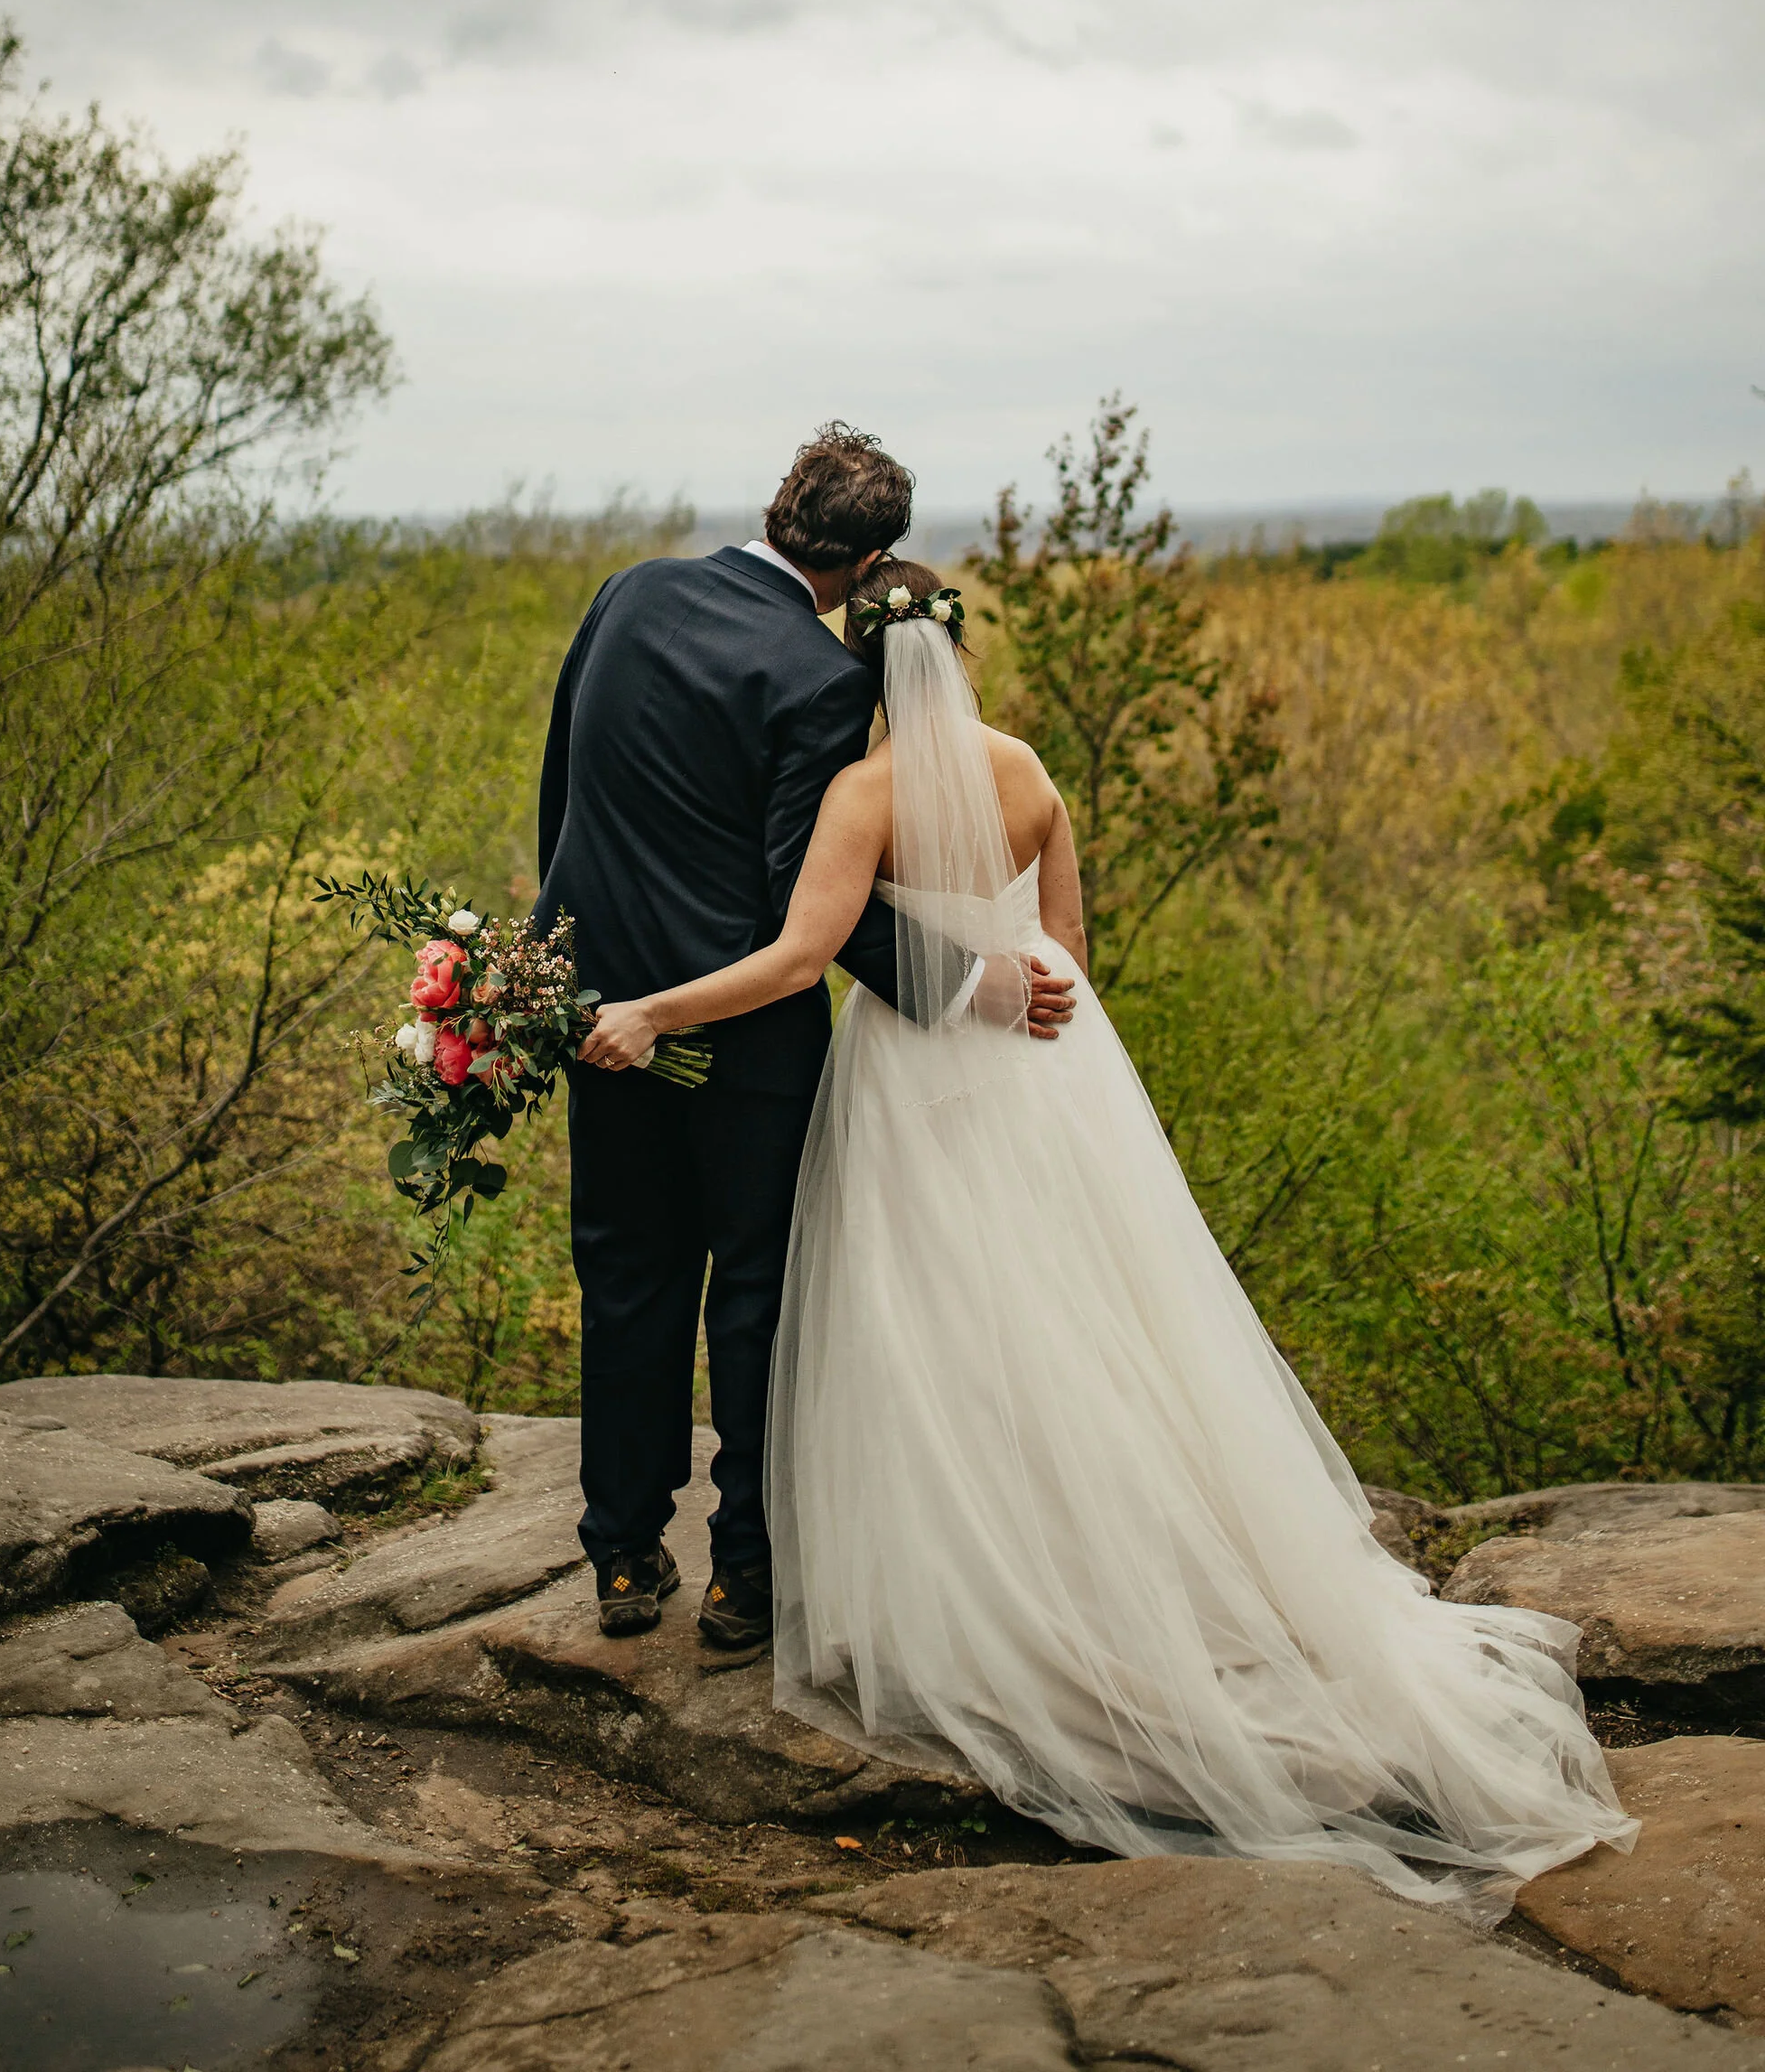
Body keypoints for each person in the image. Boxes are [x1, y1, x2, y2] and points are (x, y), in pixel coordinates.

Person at [579, 555, 1639, 1913]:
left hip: (910, 1079)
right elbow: (1069, 946)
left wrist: (656, 1010)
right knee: (1085, 1318)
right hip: (1050, 1079)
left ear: (863, 665)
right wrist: (1029, 1020)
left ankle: (964, 1574)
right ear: (962, 653)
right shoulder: (1029, 773)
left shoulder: (860, 792)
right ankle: (1118, 1547)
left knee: (931, 1323)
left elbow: (799, 962)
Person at [537, 429, 1076, 1650]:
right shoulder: (826, 678)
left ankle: (623, 1558)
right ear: (871, 555)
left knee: (625, 1277)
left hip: (602, 1014)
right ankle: (744, 1577)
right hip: (751, 1043)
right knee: (760, 1300)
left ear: (776, 509)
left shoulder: (629, 595)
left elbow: (563, 793)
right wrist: (963, 983)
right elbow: (806, 907)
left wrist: (549, 969)